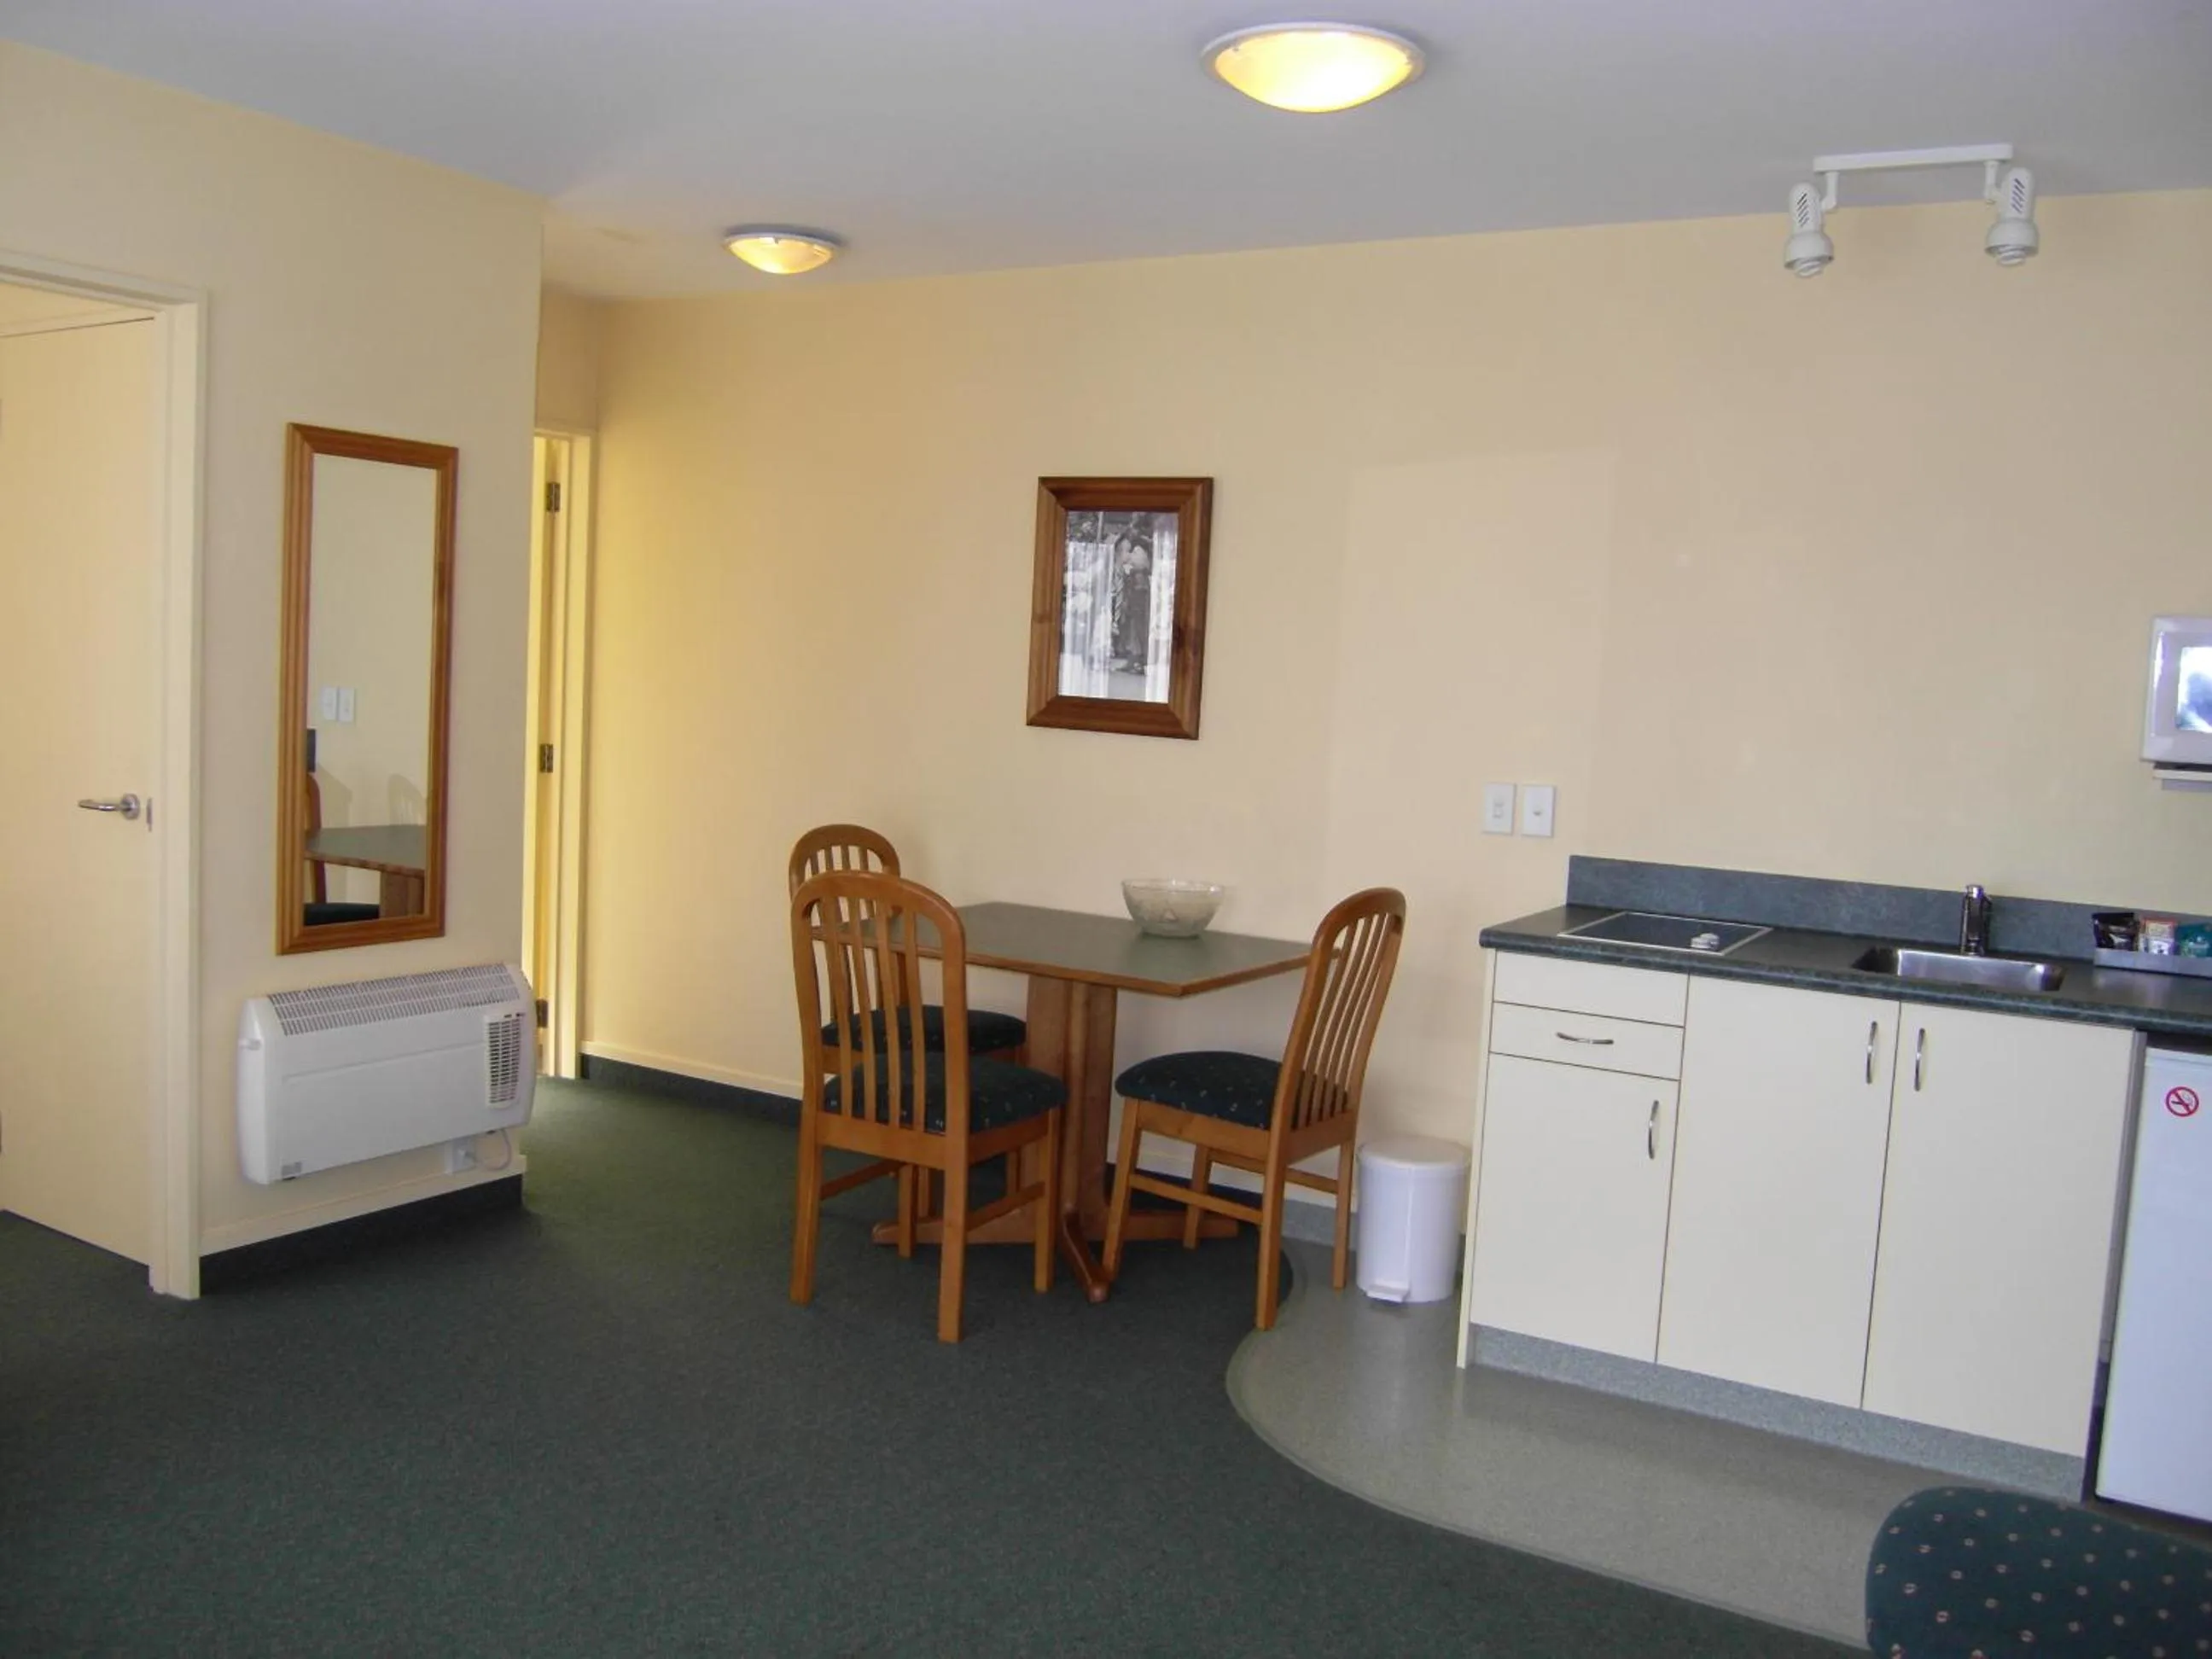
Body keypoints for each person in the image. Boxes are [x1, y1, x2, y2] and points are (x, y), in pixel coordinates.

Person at [1109, 532, 1151, 671]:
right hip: (1135, 596)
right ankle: (1135, 659)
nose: (1126, 556)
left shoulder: (1138, 553)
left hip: (1138, 596)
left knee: (1137, 628)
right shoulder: (1138, 554)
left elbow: (1142, 569)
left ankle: (1139, 660)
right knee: (1134, 629)